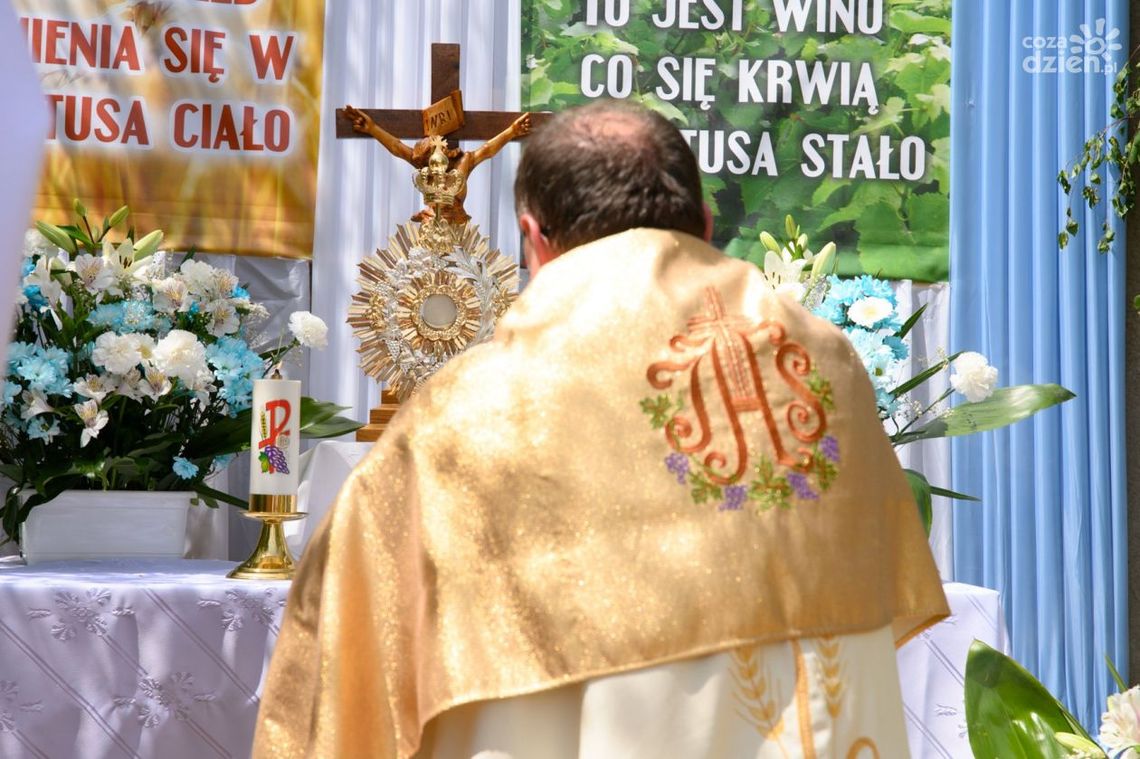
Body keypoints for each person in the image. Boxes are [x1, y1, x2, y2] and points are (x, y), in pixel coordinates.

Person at [253, 101, 948, 759]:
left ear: (533, 239)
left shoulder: (470, 413)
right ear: (704, 225)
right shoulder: (828, 367)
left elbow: (345, 655)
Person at [343, 104, 532, 225]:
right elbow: (397, 147)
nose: (437, 168)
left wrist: (512, 131)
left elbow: (487, 149)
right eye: (432, 162)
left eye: (439, 159)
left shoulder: (463, 164)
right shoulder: (425, 170)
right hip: (431, 232)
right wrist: (372, 129)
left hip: (458, 233)